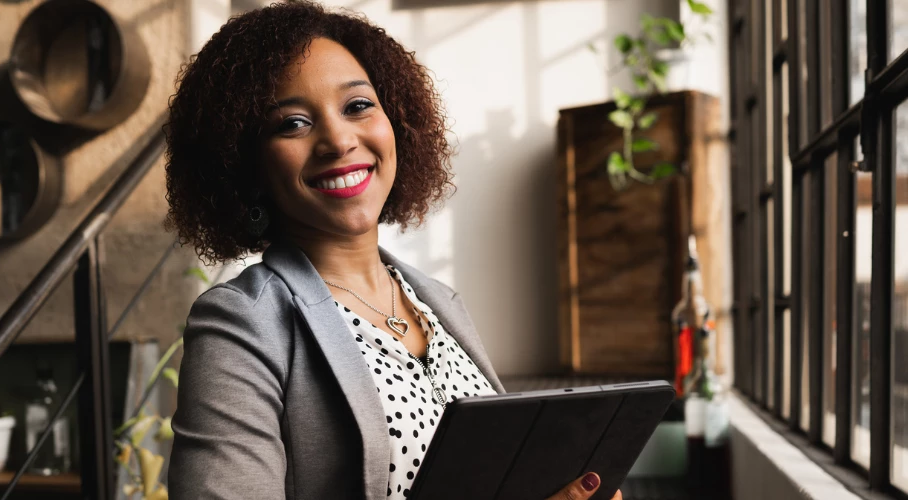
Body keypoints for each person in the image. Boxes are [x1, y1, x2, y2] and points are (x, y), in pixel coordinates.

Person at [163, 2, 623, 499]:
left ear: (397, 124)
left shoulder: (438, 303)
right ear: (244, 163)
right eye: (292, 123)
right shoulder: (240, 325)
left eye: (358, 106)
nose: (339, 140)